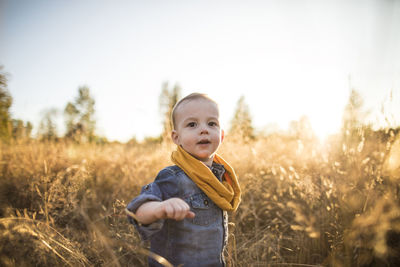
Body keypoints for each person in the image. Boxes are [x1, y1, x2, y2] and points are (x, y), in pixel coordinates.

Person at [126, 93, 241, 267]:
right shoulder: (173, 177)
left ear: (222, 135)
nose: (204, 129)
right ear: (176, 137)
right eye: (192, 124)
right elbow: (137, 211)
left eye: (212, 123)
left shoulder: (221, 179)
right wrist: (160, 208)